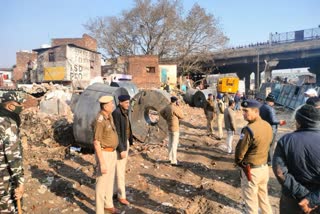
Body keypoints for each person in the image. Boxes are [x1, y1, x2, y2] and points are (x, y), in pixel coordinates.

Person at [272, 104, 320, 214]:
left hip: (292, 201)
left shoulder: (286, 140)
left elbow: (280, 172)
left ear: (298, 122)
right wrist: (312, 199)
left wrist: (303, 194)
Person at [235, 99, 273, 214]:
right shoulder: (267, 125)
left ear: (256, 111)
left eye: (246, 111)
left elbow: (240, 152)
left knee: (251, 204)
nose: (243, 113)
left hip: (251, 171)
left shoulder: (249, 130)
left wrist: (239, 163)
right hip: (264, 168)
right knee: (264, 200)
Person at [93, 96, 120, 214]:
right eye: (111, 104)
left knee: (109, 181)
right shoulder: (100, 120)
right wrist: (102, 162)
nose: (113, 106)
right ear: (105, 106)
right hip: (104, 153)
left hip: (112, 152)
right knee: (101, 183)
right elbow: (96, 142)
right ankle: (99, 211)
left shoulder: (109, 116)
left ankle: (108, 205)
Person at [0, 91, 25, 213]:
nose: (22, 107)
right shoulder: (8, 123)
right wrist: (19, 182)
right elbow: (13, 156)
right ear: (10, 106)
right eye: (19, 103)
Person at [112, 95, 133, 206]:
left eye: (128, 102)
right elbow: (117, 133)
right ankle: (121, 196)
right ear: (120, 102)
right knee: (120, 172)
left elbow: (127, 128)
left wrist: (130, 141)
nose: (128, 104)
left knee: (119, 170)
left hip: (126, 142)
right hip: (122, 145)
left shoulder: (124, 111)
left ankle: (114, 192)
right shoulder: (117, 113)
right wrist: (122, 149)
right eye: (126, 103)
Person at [259, 93, 286, 165]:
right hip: (271, 130)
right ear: (271, 101)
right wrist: (280, 122)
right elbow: (273, 120)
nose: (273, 104)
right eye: (273, 102)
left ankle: (263, 159)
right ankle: (270, 161)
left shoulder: (261, 107)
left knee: (264, 145)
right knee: (271, 146)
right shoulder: (270, 109)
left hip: (263, 128)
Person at [160, 96, 184, 166]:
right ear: (176, 101)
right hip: (175, 128)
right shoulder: (174, 108)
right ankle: (174, 161)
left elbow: (161, 112)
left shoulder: (167, 107)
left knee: (170, 143)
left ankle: (170, 158)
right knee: (174, 144)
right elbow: (182, 116)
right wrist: (179, 107)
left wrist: (166, 118)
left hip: (169, 126)